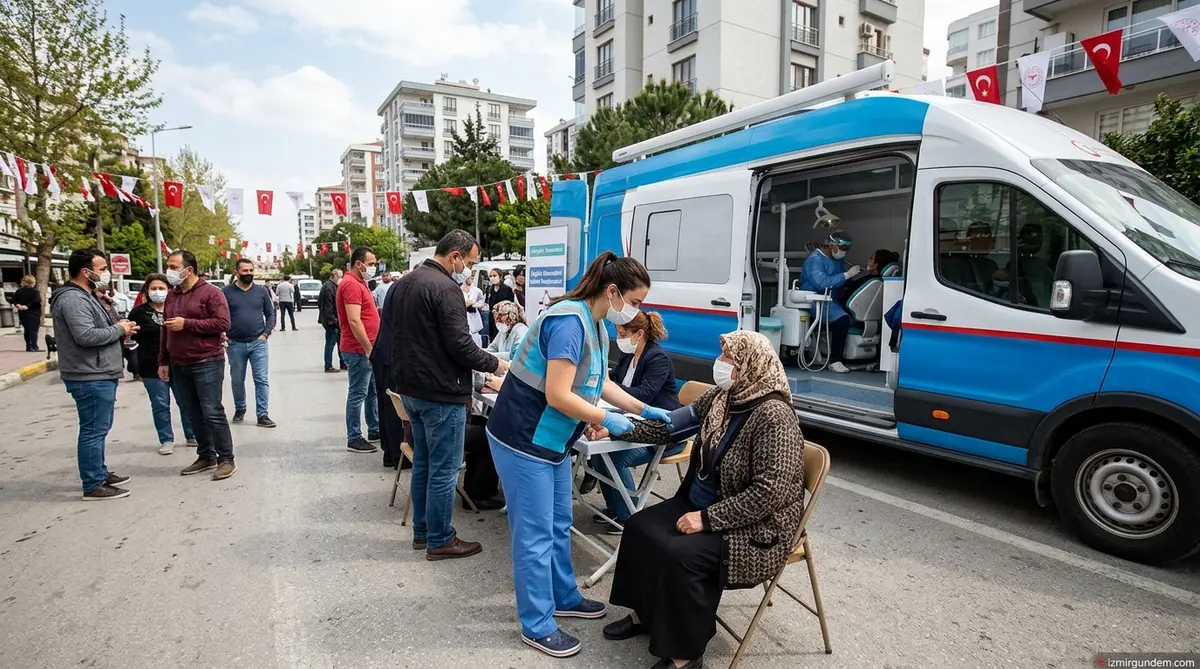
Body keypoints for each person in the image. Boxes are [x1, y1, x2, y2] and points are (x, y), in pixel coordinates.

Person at [485, 250, 675, 658]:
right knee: (534, 536)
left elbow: (599, 381)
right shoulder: (569, 322)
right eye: (636, 302)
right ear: (612, 291)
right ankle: (536, 624)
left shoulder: (596, 323)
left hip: (552, 442)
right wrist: (605, 417)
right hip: (524, 440)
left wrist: (642, 409)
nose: (637, 312)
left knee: (558, 523)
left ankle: (565, 597)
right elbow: (557, 393)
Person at [598, 330, 806, 669]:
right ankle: (644, 616)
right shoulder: (722, 397)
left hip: (750, 525)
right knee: (637, 527)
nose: (720, 363)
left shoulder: (774, 417)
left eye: (729, 359)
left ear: (751, 367)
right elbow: (670, 428)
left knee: (682, 555)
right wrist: (619, 428)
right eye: (722, 355)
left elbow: (770, 493)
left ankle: (686, 654)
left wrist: (708, 519)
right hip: (701, 503)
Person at [387, 230, 508, 561]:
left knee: (425, 463)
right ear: (454, 256)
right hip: (441, 393)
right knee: (443, 468)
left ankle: (423, 532)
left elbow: (392, 337)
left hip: (412, 390)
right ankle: (440, 539)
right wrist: (495, 364)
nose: (469, 269)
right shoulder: (445, 289)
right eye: (469, 262)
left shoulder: (403, 284)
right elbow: (461, 345)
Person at [51, 249, 137, 501]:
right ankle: (93, 483)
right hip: (88, 374)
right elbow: (86, 336)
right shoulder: (73, 299)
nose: (106, 273)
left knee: (99, 427)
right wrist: (119, 329)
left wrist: (122, 330)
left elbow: (101, 329)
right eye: (101, 269)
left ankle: (99, 472)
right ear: (85, 271)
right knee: (93, 430)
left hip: (98, 371)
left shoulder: (88, 296)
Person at [590, 310, 684, 532]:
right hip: (633, 423)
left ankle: (628, 516)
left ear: (639, 334)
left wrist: (608, 388)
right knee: (598, 455)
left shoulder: (657, 359)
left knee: (616, 457)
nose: (619, 338)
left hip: (662, 431)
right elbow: (620, 389)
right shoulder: (627, 356)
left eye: (622, 333)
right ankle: (614, 508)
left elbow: (642, 396)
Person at [160, 249, 237, 481]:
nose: (169, 272)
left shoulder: (211, 293)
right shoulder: (172, 295)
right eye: (169, 266)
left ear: (189, 269)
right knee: (191, 411)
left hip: (206, 361)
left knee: (212, 411)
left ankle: (226, 459)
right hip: (178, 362)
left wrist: (188, 324)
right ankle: (206, 455)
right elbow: (166, 330)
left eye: (174, 267)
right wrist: (163, 360)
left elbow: (223, 322)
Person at [129, 274, 197, 455]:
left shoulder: (177, 309)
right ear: (147, 290)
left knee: (186, 402)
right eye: (153, 288)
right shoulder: (138, 313)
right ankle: (166, 439)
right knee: (160, 404)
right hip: (151, 366)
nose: (157, 292)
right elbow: (130, 339)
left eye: (161, 288)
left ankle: (192, 435)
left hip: (178, 362)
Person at [222, 258, 277, 428]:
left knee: (261, 379)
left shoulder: (261, 291)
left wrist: (266, 333)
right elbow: (220, 316)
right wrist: (223, 335)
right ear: (236, 272)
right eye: (245, 271)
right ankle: (240, 408)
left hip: (258, 343)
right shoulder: (225, 292)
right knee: (237, 379)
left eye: (251, 270)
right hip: (235, 344)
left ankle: (263, 414)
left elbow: (271, 313)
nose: (249, 274)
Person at [338, 247, 382, 453]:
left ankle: (374, 428)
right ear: (359, 264)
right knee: (358, 393)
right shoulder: (350, 285)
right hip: (358, 350)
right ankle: (354, 437)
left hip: (366, 349)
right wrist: (368, 348)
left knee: (372, 391)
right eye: (371, 264)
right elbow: (354, 321)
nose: (373, 267)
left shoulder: (359, 283)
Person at [799, 231, 862, 374]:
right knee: (843, 320)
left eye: (847, 249)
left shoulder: (837, 260)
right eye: (842, 248)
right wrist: (846, 275)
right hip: (814, 300)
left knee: (852, 316)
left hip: (830, 299)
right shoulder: (815, 260)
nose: (844, 252)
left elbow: (840, 280)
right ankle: (835, 361)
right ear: (831, 245)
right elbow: (821, 283)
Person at [370, 269, 407, 470]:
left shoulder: (396, 286)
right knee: (395, 408)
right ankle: (397, 455)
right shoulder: (407, 289)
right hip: (392, 355)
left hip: (383, 352)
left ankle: (389, 452)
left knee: (386, 405)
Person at [318, 269, 346, 372]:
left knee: (340, 342)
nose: (340, 278)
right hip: (331, 321)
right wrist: (334, 321)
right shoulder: (328, 288)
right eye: (339, 276)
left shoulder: (334, 286)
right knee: (330, 343)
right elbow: (327, 307)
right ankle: (328, 365)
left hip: (336, 320)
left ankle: (343, 363)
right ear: (334, 275)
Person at [12, 275, 42, 352]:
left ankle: (28, 346)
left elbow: (14, 300)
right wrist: (27, 306)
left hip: (22, 313)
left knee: (27, 330)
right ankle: (34, 346)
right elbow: (37, 301)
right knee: (33, 330)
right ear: (32, 282)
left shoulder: (18, 291)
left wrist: (18, 305)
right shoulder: (35, 291)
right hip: (33, 313)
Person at [485, 267, 515, 342]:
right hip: (492, 317)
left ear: (500, 277)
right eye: (490, 276)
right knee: (493, 337)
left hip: (503, 317)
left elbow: (511, 304)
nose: (492, 278)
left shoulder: (507, 289)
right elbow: (487, 301)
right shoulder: (489, 289)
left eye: (494, 276)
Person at [462, 270, 486, 346]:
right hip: (463, 315)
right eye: (468, 277)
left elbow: (482, 301)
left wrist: (474, 305)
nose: (470, 279)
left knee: (476, 338)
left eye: (472, 277)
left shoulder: (476, 291)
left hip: (474, 316)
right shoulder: (458, 290)